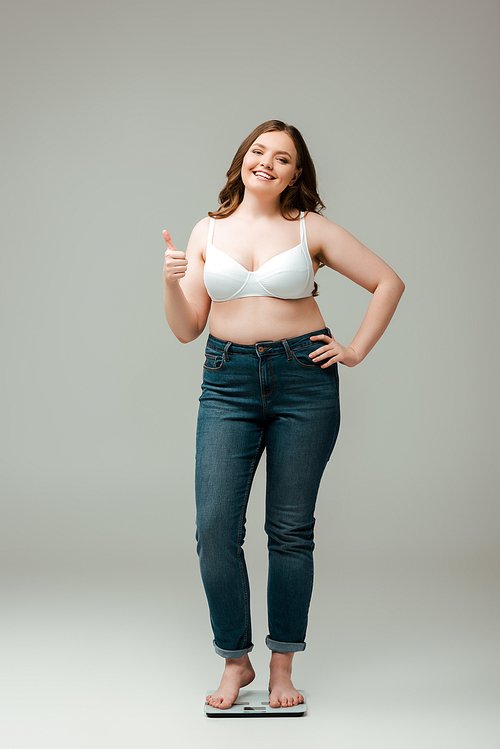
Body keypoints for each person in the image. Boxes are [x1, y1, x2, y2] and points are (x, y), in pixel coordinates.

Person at [162, 119, 404, 710]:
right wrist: (170, 282)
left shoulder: (309, 229)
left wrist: (353, 350)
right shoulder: (206, 231)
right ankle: (236, 661)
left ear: (297, 174)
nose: (267, 162)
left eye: (284, 158)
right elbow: (187, 330)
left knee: (290, 532)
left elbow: (388, 282)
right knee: (215, 530)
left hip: (304, 384)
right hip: (227, 382)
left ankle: (281, 668)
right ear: (242, 158)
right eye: (259, 150)